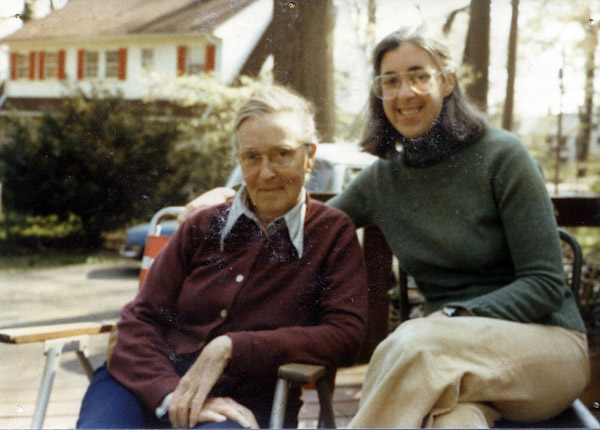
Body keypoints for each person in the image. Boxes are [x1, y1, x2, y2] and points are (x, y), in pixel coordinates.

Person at [185, 27, 589, 428]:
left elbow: (545, 283)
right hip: (446, 364)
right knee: (453, 423)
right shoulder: (383, 180)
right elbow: (304, 221)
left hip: (544, 349)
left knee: (412, 342)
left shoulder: (503, 156)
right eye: (390, 81)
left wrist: (452, 315)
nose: (404, 93)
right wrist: (235, 194)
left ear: (447, 82)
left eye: (419, 76)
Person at [76, 84, 368, 429]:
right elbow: (139, 319)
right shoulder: (202, 224)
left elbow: (345, 336)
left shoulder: (332, 232)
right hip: (144, 385)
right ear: (239, 161)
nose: (267, 172)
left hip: (245, 402)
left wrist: (233, 346)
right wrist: (172, 396)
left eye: (282, 154)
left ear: (309, 157)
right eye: (252, 156)